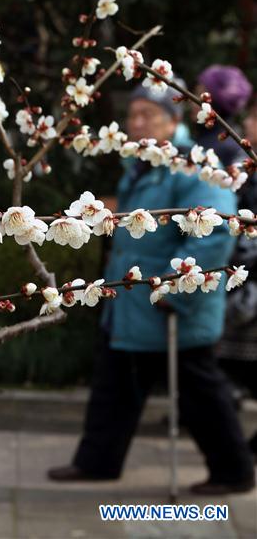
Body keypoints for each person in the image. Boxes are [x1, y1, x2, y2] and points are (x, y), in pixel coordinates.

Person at [48, 83, 256, 495]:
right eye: (133, 114)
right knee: (115, 384)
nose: (137, 122)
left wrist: (176, 291)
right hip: (130, 298)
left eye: (149, 114)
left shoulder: (196, 165)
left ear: (175, 119)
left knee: (199, 392)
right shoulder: (143, 163)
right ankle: (97, 461)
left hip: (174, 304)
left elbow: (212, 235)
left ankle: (233, 470)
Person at [217, 95, 257, 456]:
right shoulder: (244, 167)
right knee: (229, 361)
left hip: (250, 277)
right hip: (240, 275)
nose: (247, 125)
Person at [190, 65, 253, 166]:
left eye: (200, 96)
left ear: (215, 103)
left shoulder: (227, 149)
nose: (192, 101)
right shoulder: (200, 135)